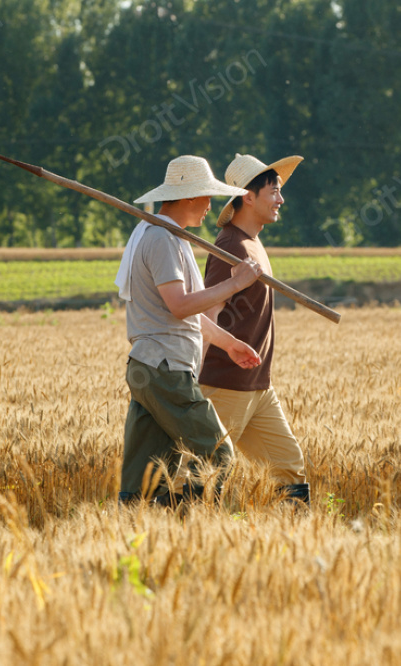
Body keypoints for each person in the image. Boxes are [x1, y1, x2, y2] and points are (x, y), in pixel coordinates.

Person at [114, 155, 264, 505]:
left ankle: (144, 530)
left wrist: (229, 344)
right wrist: (234, 284)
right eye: (207, 197)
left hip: (151, 367)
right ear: (188, 197)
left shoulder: (170, 238)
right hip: (165, 368)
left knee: (145, 477)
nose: (211, 207)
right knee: (217, 455)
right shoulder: (162, 240)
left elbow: (188, 314)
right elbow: (179, 305)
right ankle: (192, 522)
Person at [198, 153, 311, 505]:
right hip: (226, 384)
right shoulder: (230, 246)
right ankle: (193, 538)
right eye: (273, 191)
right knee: (208, 472)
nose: (281, 199)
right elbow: (208, 312)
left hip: (258, 385)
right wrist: (195, 375)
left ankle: (293, 546)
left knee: (288, 467)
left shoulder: (253, 242)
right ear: (248, 196)